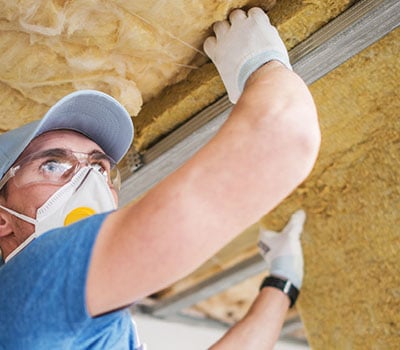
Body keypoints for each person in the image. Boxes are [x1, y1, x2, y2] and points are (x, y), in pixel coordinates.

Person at [0, 7, 320, 350]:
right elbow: (285, 135)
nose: (90, 182)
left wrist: (282, 284)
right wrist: (260, 67)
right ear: (2, 220)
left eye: (100, 168)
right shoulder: (32, 290)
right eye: (52, 165)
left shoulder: (69, 323)